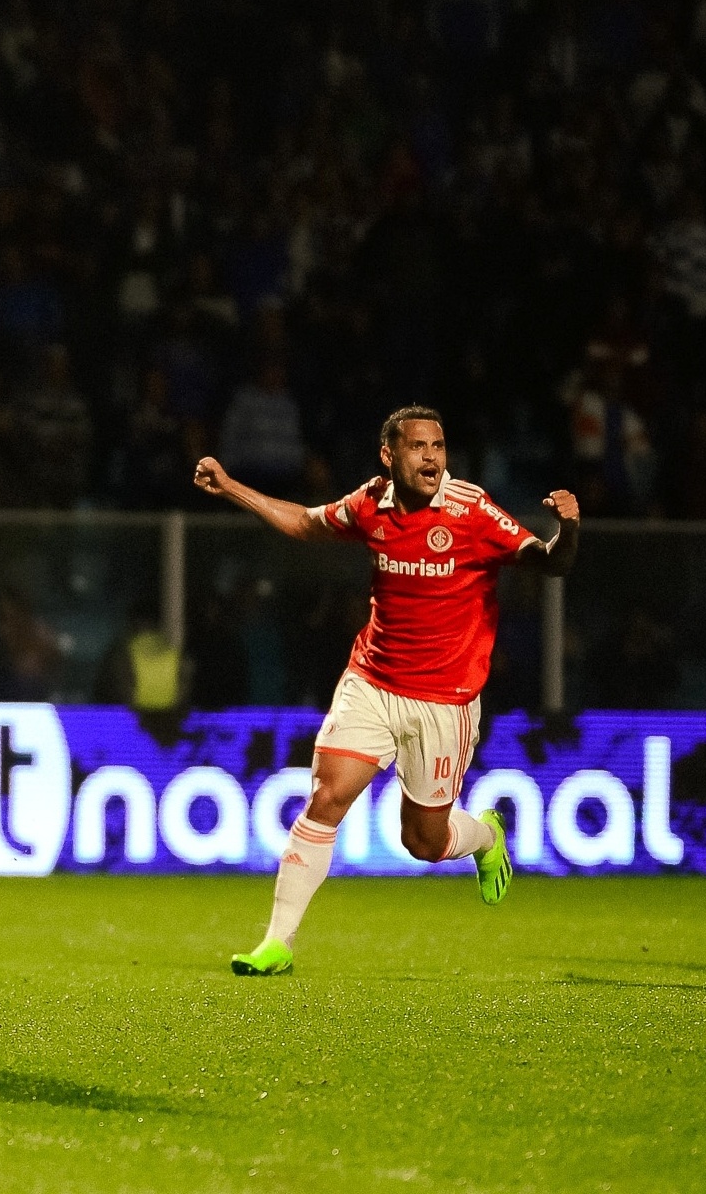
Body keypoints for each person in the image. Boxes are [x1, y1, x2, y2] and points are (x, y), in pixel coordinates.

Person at [192, 405, 579, 976]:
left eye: (439, 446)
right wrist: (230, 488)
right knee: (325, 797)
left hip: (444, 699)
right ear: (389, 455)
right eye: (419, 447)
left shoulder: (471, 511)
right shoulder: (371, 502)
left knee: (422, 842)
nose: (432, 457)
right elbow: (304, 523)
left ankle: (483, 835)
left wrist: (568, 530)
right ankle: (277, 943)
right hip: (372, 682)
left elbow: (547, 565)